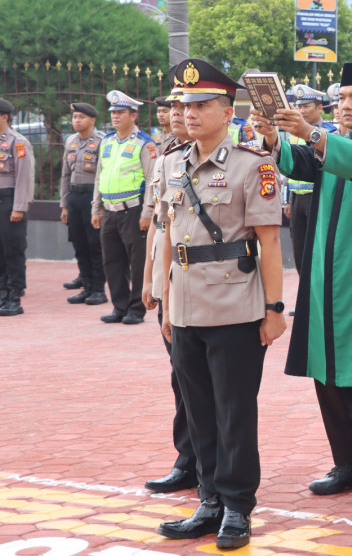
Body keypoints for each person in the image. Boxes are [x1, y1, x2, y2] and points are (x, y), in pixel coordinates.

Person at [253, 63, 352, 503]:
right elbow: (296, 162)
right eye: (340, 98)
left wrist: (313, 133)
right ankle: (347, 463)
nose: (344, 105)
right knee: (325, 372)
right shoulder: (327, 146)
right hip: (323, 276)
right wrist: (274, 135)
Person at [156, 58, 286, 549]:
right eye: (184, 104)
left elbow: (269, 243)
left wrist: (275, 309)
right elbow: (169, 239)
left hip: (235, 306)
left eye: (201, 104)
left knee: (234, 412)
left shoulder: (254, 166)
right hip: (186, 304)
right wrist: (167, 305)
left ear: (228, 111)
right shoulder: (171, 163)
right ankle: (208, 499)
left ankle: (236, 507)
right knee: (198, 410)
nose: (189, 112)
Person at [142, 75, 198, 495]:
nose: (179, 114)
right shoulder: (166, 160)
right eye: (175, 108)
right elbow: (159, 225)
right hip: (169, 280)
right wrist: (149, 279)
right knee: (179, 376)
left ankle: (205, 461)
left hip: (204, 283)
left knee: (198, 378)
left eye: (187, 107)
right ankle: (187, 458)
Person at [91, 91, 157, 325]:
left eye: (120, 113)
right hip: (109, 210)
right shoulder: (107, 141)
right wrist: (95, 208)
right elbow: (100, 176)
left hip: (133, 210)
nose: (115, 117)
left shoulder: (144, 143)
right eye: (113, 113)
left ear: (133, 115)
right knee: (112, 260)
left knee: (137, 261)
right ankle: (119, 307)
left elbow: (152, 179)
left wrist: (148, 212)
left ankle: (136, 309)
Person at [283, 85, 338, 315]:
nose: (302, 111)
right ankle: (305, 299)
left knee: (321, 250)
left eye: (306, 106)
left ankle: (324, 299)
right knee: (299, 250)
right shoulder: (293, 134)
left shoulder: (332, 134)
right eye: (299, 106)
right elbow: (288, 168)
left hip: (320, 197)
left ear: (320, 108)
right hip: (297, 199)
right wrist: (287, 199)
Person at [60, 103, 107, 306]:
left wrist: (100, 206)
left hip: (92, 197)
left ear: (92, 120)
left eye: (81, 117)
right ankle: (86, 285)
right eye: (74, 117)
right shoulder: (70, 141)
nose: (76, 121)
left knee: (95, 244)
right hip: (74, 197)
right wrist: (64, 204)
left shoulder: (102, 141)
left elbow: (104, 175)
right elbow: (65, 174)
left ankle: (98, 288)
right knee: (79, 243)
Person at [0, 98, 35, 317]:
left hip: (10, 200)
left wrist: (19, 207)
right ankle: (2, 291)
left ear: (4, 116)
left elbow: (24, 177)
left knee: (12, 248)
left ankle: (14, 294)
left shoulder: (17, 142)